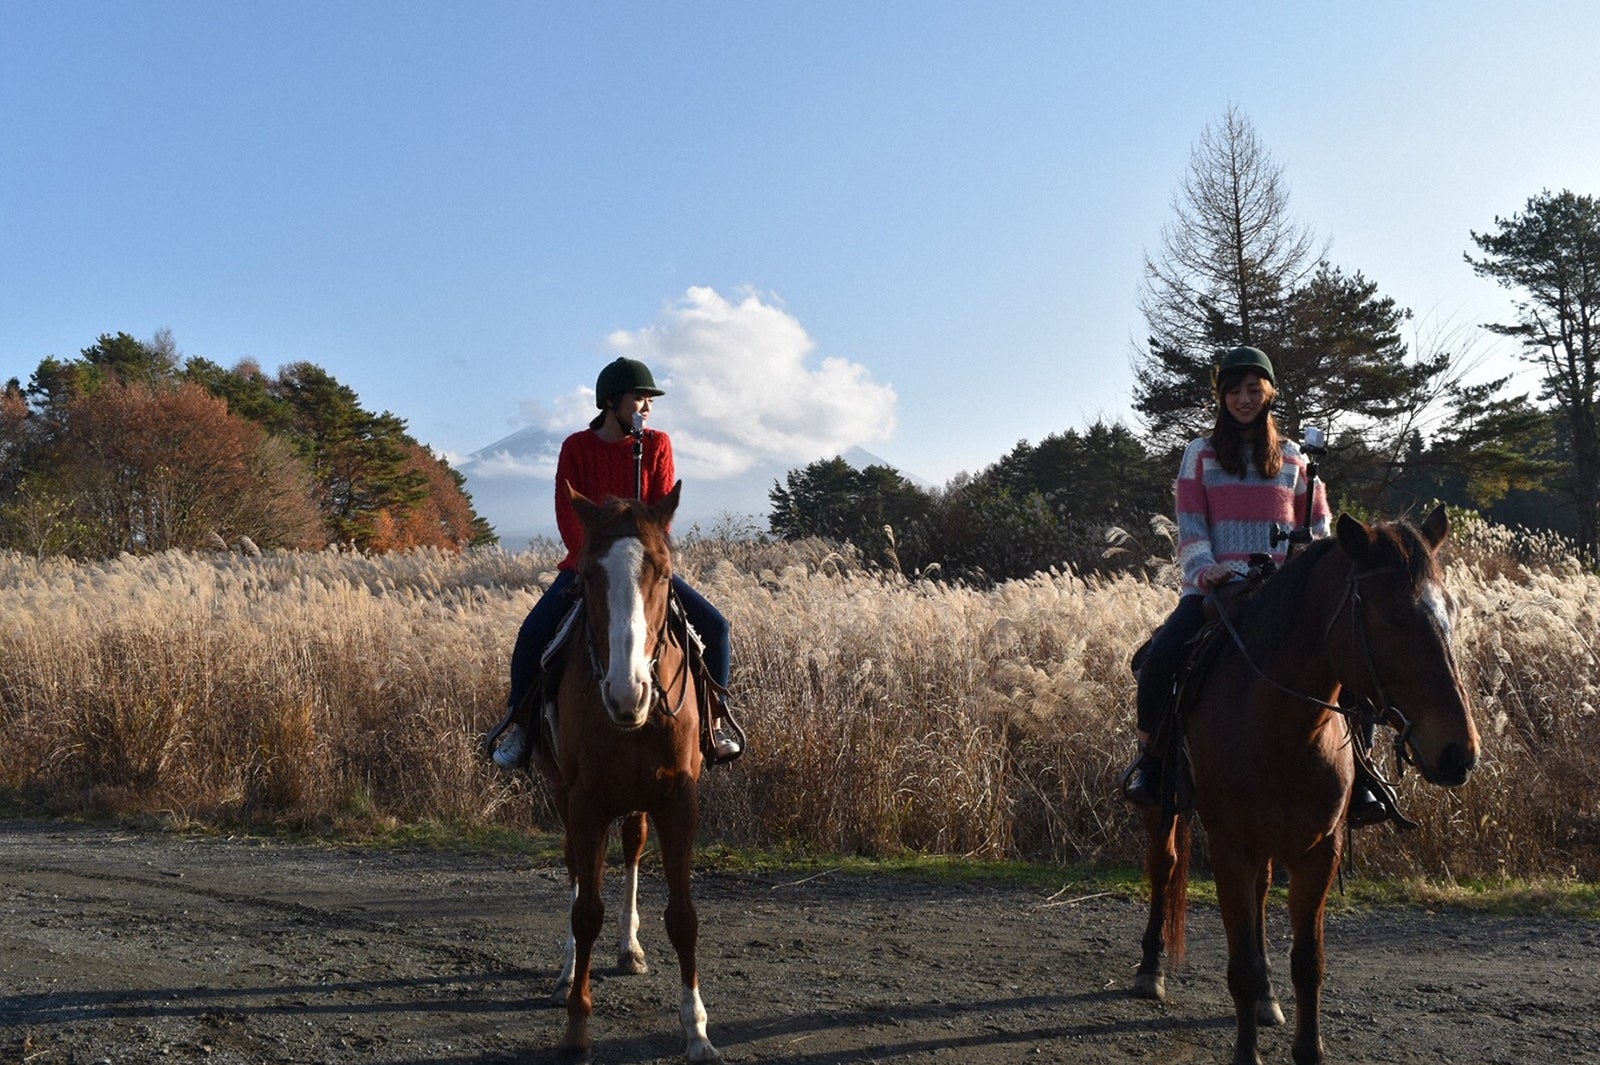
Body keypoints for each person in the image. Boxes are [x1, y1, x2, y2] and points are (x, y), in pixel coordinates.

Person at [1121, 345, 1389, 821]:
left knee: (1353, 665)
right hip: (1215, 591)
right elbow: (1190, 526)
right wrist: (1207, 568)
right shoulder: (1198, 454)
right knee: (1160, 661)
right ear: (1221, 397)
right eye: (1234, 391)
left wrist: (1302, 565)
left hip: (1284, 598)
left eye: (1253, 389)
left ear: (1268, 393)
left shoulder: (1295, 459)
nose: (1243, 399)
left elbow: (1321, 530)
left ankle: (1364, 775)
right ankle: (1153, 764)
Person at [491, 356, 742, 770]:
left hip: (644, 569)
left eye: (650, 402)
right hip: (589, 567)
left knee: (716, 628)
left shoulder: (658, 444)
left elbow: (661, 511)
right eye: (639, 398)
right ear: (611, 402)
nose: (647, 408)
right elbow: (567, 510)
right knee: (532, 634)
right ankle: (521, 728)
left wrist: (640, 555)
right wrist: (595, 559)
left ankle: (714, 725)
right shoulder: (576, 447)